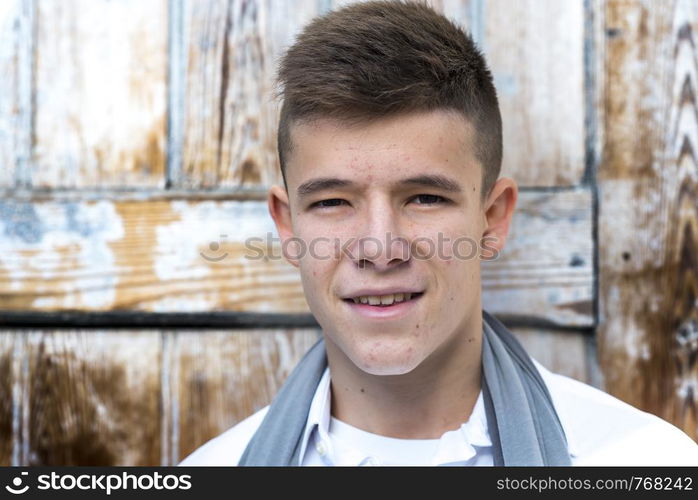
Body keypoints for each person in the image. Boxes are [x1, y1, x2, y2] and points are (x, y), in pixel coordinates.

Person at [180, 0, 698, 466]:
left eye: (425, 198)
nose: (380, 249)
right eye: (333, 202)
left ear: (491, 219)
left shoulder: (642, 461)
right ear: (289, 226)